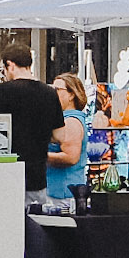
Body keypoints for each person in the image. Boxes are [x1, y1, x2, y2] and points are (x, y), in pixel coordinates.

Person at [0, 41, 68, 207]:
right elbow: (61, 136)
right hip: (37, 175)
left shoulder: (3, 91)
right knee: (35, 225)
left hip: (7, 173)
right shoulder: (49, 92)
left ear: (10, 65)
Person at [45, 73, 90, 210]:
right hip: (56, 193)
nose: (52, 93)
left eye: (57, 90)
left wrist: (37, 156)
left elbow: (70, 157)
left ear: (72, 95)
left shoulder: (71, 122)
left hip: (63, 195)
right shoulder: (61, 118)